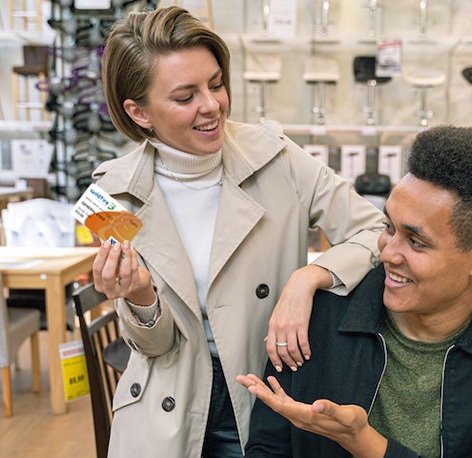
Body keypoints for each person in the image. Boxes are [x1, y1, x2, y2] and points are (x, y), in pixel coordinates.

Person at [91, 6, 384, 458]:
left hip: (263, 390)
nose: (211, 106)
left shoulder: (277, 159)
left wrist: (308, 278)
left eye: (216, 84)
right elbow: (155, 344)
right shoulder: (113, 194)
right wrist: (140, 296)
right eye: (185, 97)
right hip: (165, 408)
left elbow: (376, 231)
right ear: (139, 112)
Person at [237, 125, 472, 458]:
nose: (386, 253)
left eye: (416, 242)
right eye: (388, 227)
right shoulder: (317, 317)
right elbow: (268, 448)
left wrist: (367, 444)